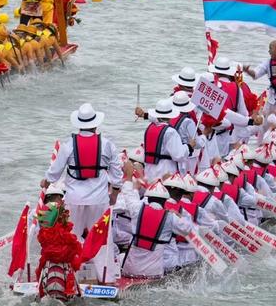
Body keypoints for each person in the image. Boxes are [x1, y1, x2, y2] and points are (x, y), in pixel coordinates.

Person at [42, 103, 123, 240]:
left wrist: (46, 181)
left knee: (72, 237)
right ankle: (101, 261)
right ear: (96, 124)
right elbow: (117, 176)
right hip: (99, 199)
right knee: (100, 239)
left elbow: (55, 172)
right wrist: (114, 194)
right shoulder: (107, 145)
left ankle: (75, 261)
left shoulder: (68, 146)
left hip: (74, 199)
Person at [116, 180, 193, 279]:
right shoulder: (171, 217)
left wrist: (129, 176)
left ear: (148, 199)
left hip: (130, 270)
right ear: (165, 202)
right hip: (153, 272)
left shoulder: (137, 208)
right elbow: (187, 229)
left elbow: (128, 194)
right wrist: (179, 215)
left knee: (120, 256)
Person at [133, 98, 192, 181]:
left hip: (149, 171)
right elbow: (178, 155)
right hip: (165, 171)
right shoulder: (170, 132)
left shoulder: (150, 128)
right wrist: (189, 146)